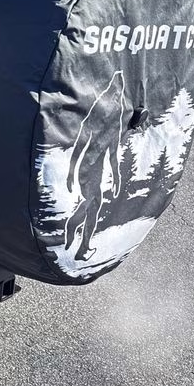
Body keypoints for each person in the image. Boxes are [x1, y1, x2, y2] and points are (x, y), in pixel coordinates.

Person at [64, 71, 130, 260]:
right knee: (92, 205)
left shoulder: (107, 116)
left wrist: (116, 176)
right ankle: (81, 244)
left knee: (92, 204)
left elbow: (111, 153)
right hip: (89, 169)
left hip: (92, 169)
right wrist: (71, 173)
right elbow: (85, 145)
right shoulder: (106, 118)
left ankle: (79, 239)